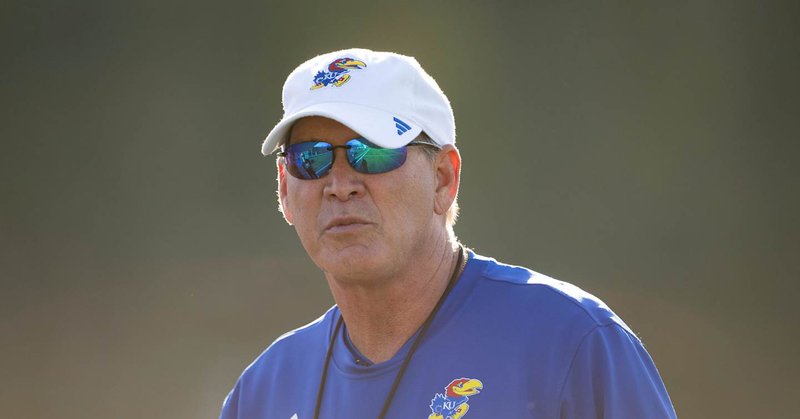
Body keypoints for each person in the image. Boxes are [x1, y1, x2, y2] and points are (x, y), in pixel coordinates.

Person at [220, 48, 677, 419]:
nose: (340, 185)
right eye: (310, 158)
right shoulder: (262, 393)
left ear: (443, 178)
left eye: (372, 152)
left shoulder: (571, 343)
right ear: (284, 190)